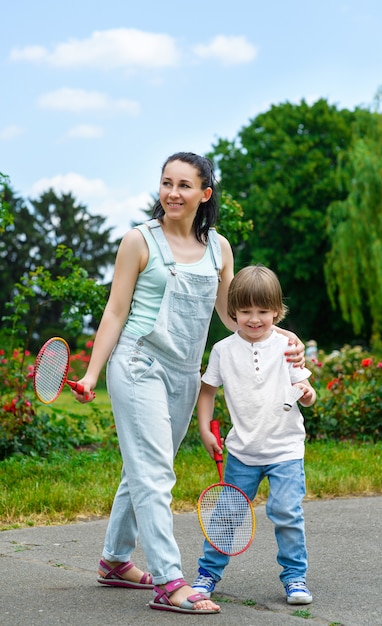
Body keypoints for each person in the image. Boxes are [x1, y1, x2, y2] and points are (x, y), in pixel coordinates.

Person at [73, 153, 305, 615]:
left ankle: (115, 561)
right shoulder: (138, 241)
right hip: (137, 363)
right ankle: (170, 581)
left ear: (205, 193)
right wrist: (93, 373)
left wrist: (285, 339)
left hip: (183, 372)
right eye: (165, 183)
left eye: (183, 185)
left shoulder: (219, 248)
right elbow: (115, 311)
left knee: (143, 467)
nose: (172, 193)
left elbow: (231, 316)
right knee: (156, 473)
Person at [192, 265, 316, 606]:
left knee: (287, 512)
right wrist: (205, 428)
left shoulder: (287, 346)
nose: (254, 318)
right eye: (246, 311)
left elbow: (303, 386)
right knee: (226, 517)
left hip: (286, 450)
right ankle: (207, 574)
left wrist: (307, 394)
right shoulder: (223, 350)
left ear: (277, 311)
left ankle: (294, 578)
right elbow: (207, 392)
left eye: (263, 311)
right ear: (233, 311)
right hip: (242, 452)